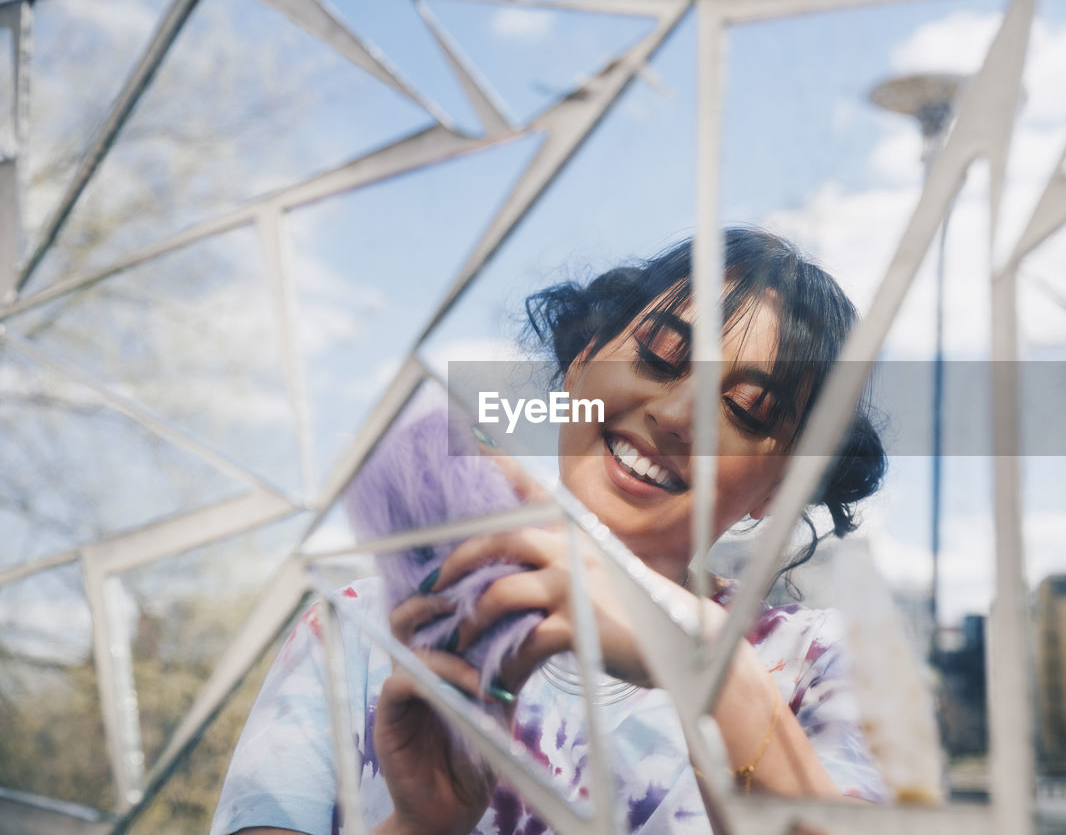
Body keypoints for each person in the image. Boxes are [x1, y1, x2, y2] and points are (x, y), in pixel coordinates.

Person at [212, 227, 889, 835]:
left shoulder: (814, 663)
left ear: (778, 490)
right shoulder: (360, 629)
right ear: (581, 363)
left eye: (746, 412)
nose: (679, 415)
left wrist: (717, 672)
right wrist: (420, 829)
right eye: (657, 357)